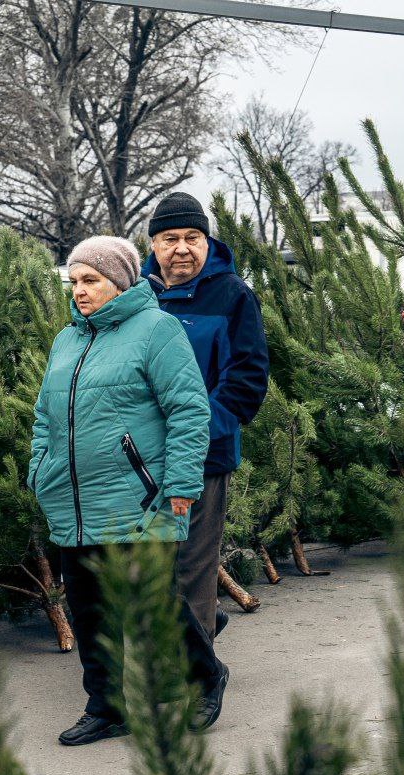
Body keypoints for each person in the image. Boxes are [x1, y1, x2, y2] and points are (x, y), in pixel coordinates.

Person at [29, 235, 211, 746]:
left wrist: (179, 482)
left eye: (91, 281)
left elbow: (189, 410)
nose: (80, 292)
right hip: (74, 498)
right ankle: (106, 706)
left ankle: (206, 678)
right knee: (88, 609)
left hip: (139, 497)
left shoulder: (157, 330)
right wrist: (39, 468)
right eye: (74, 282)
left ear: (121, 282)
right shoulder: (67, 340)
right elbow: (45, 417)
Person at [140, 192, 270, 731]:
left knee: (191, 566)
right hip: (139, 462)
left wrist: (191, 434)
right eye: (170, 239)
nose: (182, 249)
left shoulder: (232, 297)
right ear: (153, 244)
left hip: (204, 458)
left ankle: (199, 682)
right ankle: (193, 635)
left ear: (207, 240)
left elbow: (246, 383)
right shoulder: (137, 296)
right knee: (147, 566)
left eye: (192, 238)